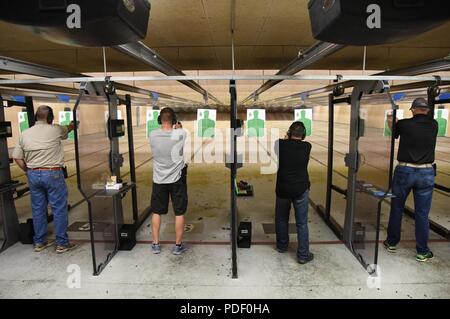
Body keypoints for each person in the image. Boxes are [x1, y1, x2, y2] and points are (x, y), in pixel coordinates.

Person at [12, 105, 77, 254]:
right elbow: (68, 129)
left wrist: (28, 171)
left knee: (38, 209)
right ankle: (62, 243)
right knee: (59, 208)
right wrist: (74, 125)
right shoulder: (55, 129)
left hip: (33, 175)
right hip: (52, 173)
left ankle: (39, 242)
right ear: (50, 117)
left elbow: (17, 157)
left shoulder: (25, 133)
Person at [384, 98, 438, 262]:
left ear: (413, 110)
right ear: (427, 111)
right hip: (427, 172)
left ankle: (392, 242)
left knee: (397, 208)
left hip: (405, 171)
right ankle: (422, 251)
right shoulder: (434, 125)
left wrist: (391, 115)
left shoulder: (405, 124)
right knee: (422, 213)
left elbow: (392, 127)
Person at [149, 107, 188, 255]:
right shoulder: (181, 134)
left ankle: (156, 244)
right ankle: (178, 246)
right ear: (173, 119)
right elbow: (180, 134)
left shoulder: (152, 135)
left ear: (160, 120)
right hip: (177, 180)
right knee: (179, 213)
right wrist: (178, 128)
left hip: (159, 180)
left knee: (156, 212)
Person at [274, 121, 314, 264]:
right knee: (302, 223)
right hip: (300, 189)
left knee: (281, 219)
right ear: (303, 135)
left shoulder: (279, 144)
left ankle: (282, 246)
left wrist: (287, 137)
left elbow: (280, 144)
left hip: (283, 188)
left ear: (290, 133)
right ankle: (303, 255)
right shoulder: (307, 146)